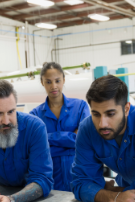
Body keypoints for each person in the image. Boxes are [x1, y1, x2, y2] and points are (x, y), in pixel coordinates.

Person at [29, 62, 90, 191]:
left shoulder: (80, 107)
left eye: (57, 81)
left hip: (78, 172)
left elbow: (82, 140)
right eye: (48, 82)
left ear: (63, 80)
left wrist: (47, 139)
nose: (54, 86)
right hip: (50, 177)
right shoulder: (35, 114)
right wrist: (69, 140)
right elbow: (34, 147)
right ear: (42, 82)